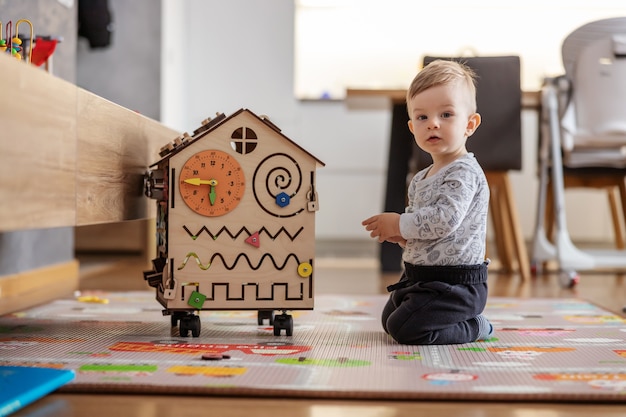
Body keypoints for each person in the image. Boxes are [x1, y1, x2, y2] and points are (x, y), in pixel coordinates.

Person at [361, 59, 493, 345]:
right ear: (412, 126)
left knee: (406, 329)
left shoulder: (464, 172)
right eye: (422, 118)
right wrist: (401, 235)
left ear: (469, 124)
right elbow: (423, 230)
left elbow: (444, 219)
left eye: (446, 114)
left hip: (455, 283)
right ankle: (440, 314)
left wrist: (399, 221)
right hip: (420, 277)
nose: (433, 123)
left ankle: (474, 325)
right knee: (389, 321)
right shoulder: (421, 178)